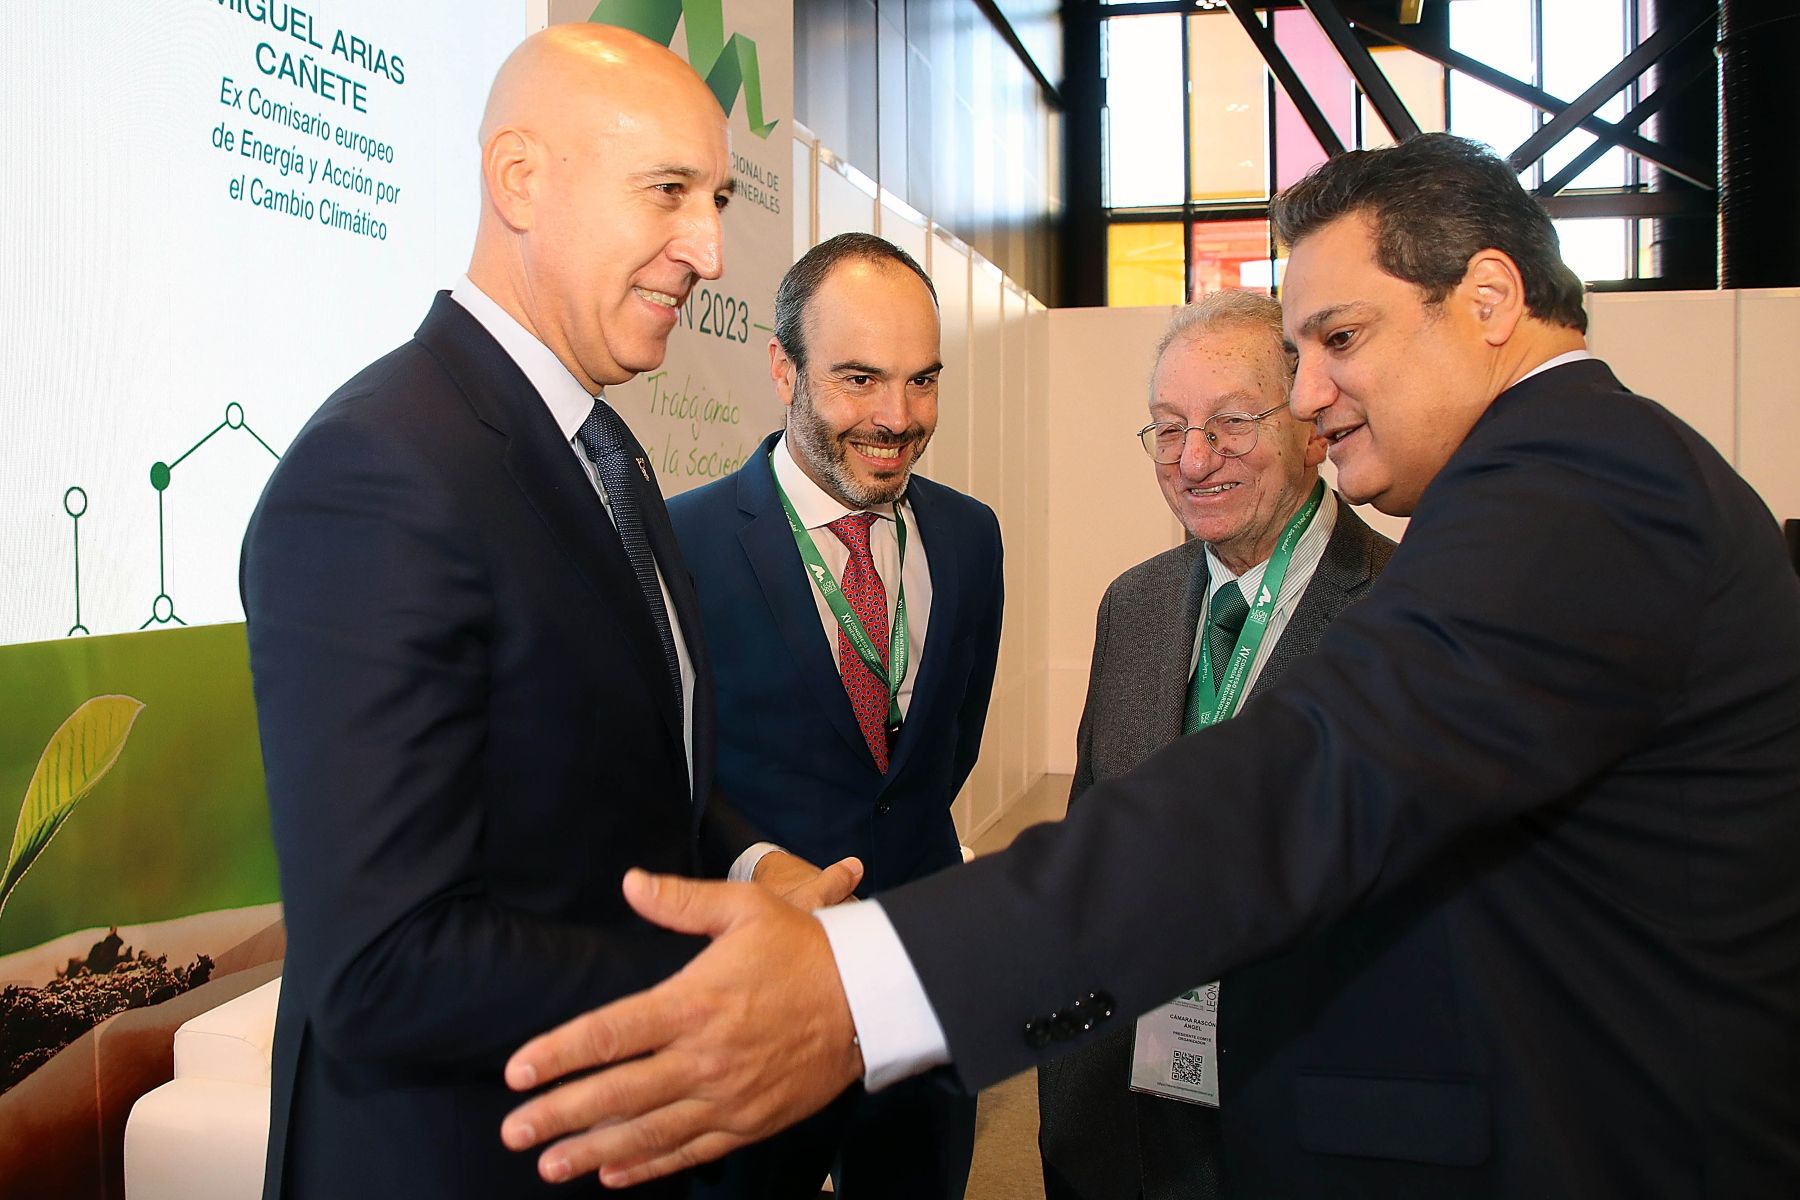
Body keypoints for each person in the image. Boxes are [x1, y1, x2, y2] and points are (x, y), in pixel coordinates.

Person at [499, 133, 1800, 1196]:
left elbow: (1296, 789)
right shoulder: (1560, 486)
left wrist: (868, 985)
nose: (1314, 395)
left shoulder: (1579, 490)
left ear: (1492, 301)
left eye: (1339, 340)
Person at [240, 25, 855, 1200]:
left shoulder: (599, 446)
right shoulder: (381, 472)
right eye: (669, 192)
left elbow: (614, 776)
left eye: (718, 197)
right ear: (520, 178)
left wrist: (753, 870)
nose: (712, 250)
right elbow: (382, 963)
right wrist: (743, 974)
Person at [666, 232, 1002, 1199]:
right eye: (859, 380)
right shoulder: (680, 544)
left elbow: (946, 749)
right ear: (784, 369)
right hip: (753, 990)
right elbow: (660, 766)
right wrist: (756, 862)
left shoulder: (971, 539)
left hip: (925, 980)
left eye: (923, 382)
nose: (898, 420)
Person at [1036, 290, 1393, 1200]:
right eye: (1167, 428)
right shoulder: (1136, 603)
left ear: (1312, 422)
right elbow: (1090, 844)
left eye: (1234, 422)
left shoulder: (1402, 612)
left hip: (1299, 1104)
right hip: (1114, 1104)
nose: (1195, 460)